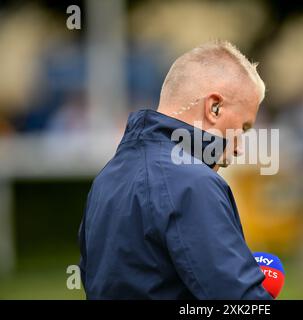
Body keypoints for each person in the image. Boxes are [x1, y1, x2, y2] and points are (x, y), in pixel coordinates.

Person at [78, 40, 272, 299]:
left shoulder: (106, 179)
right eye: (243, 128)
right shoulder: (193, 182)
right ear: (214, 108)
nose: (238, 148)